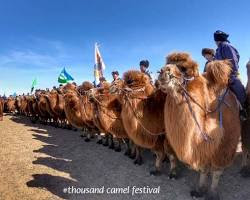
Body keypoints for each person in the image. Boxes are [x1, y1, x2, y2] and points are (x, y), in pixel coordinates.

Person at [213, 30, 247, 120]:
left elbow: (233, 61)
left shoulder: (227, 46)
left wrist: (230, 75)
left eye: (215, 40)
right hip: (220, 77)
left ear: (217, 40)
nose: (215, 42)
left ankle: (243, 110)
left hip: (230, 75)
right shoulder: (217, 50)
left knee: (238, 89)